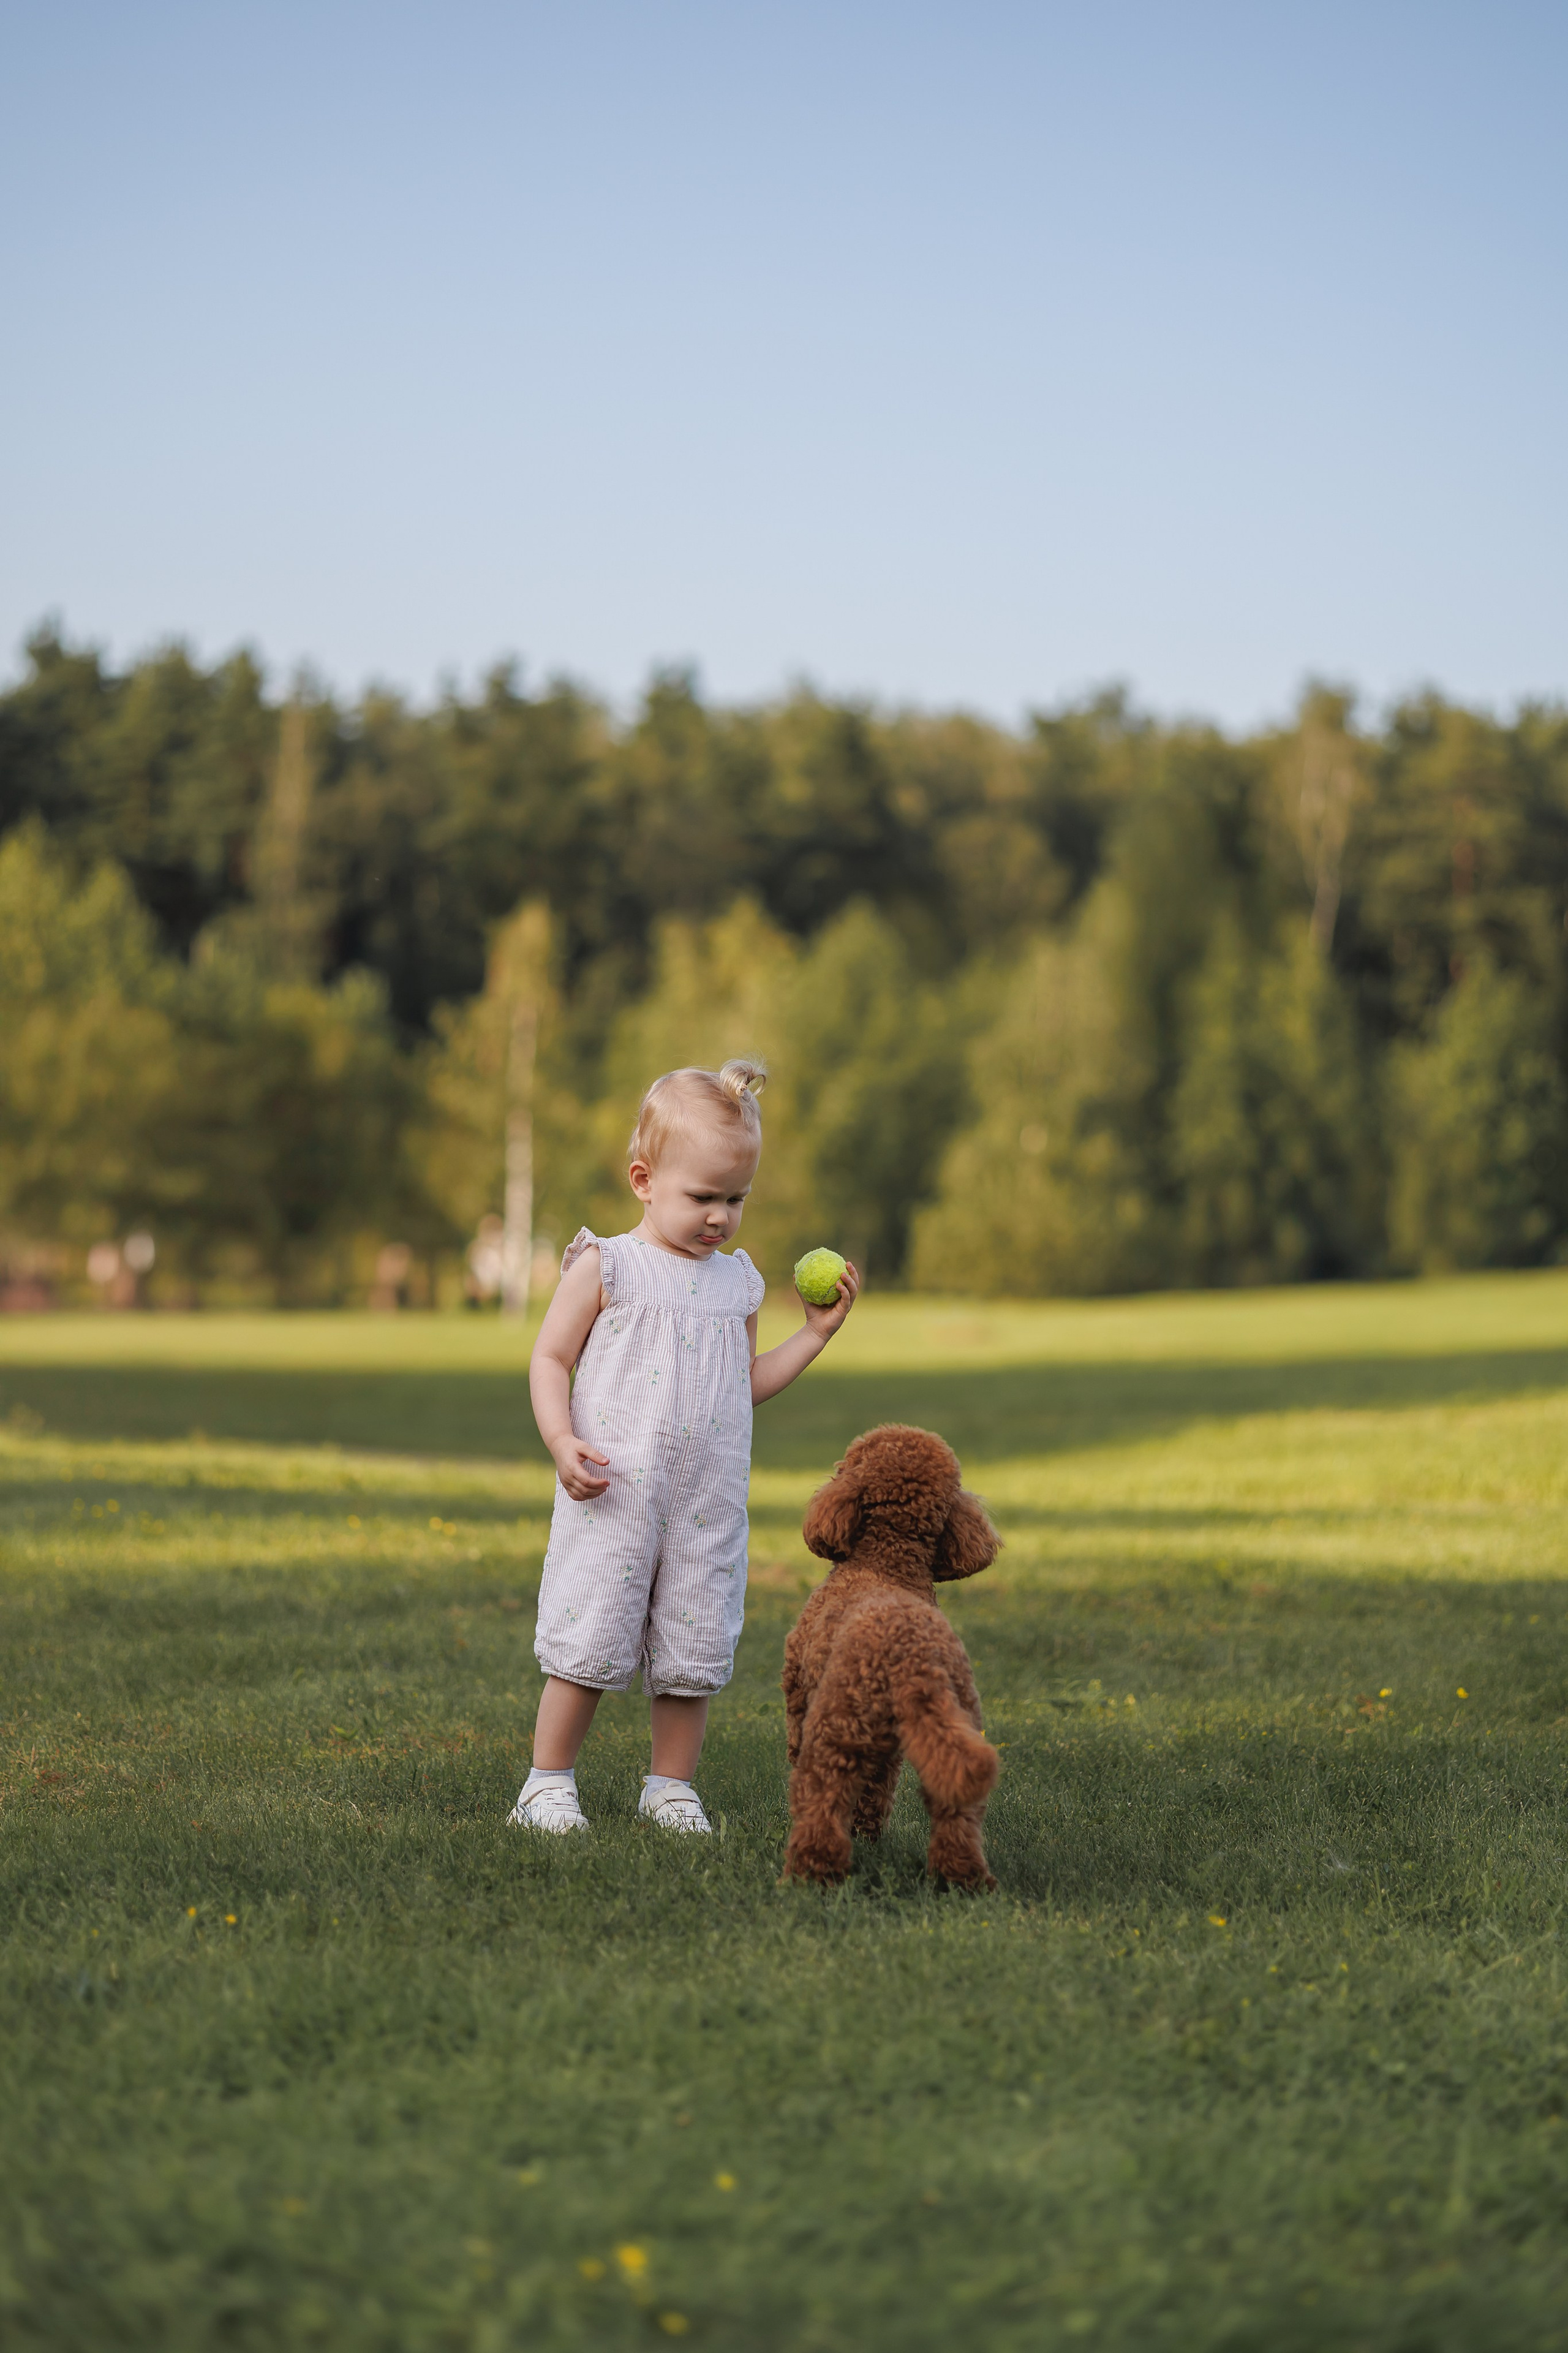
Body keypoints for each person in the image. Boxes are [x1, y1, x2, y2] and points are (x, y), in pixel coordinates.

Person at [508, 1059, 858, 1835]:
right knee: (590, 1634)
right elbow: (550, 1358)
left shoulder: (738, 1285)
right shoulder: (609, 1265)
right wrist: (562, 1440)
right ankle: (546, 1783)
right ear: (644, 1179)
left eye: (736, 1199)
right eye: (702, 1197)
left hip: (705, 1501)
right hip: (615, 1490)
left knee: (691, 1648)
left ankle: (669, 1787)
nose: (720, 1217)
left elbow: (743, 1383)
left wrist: (814, 1335)